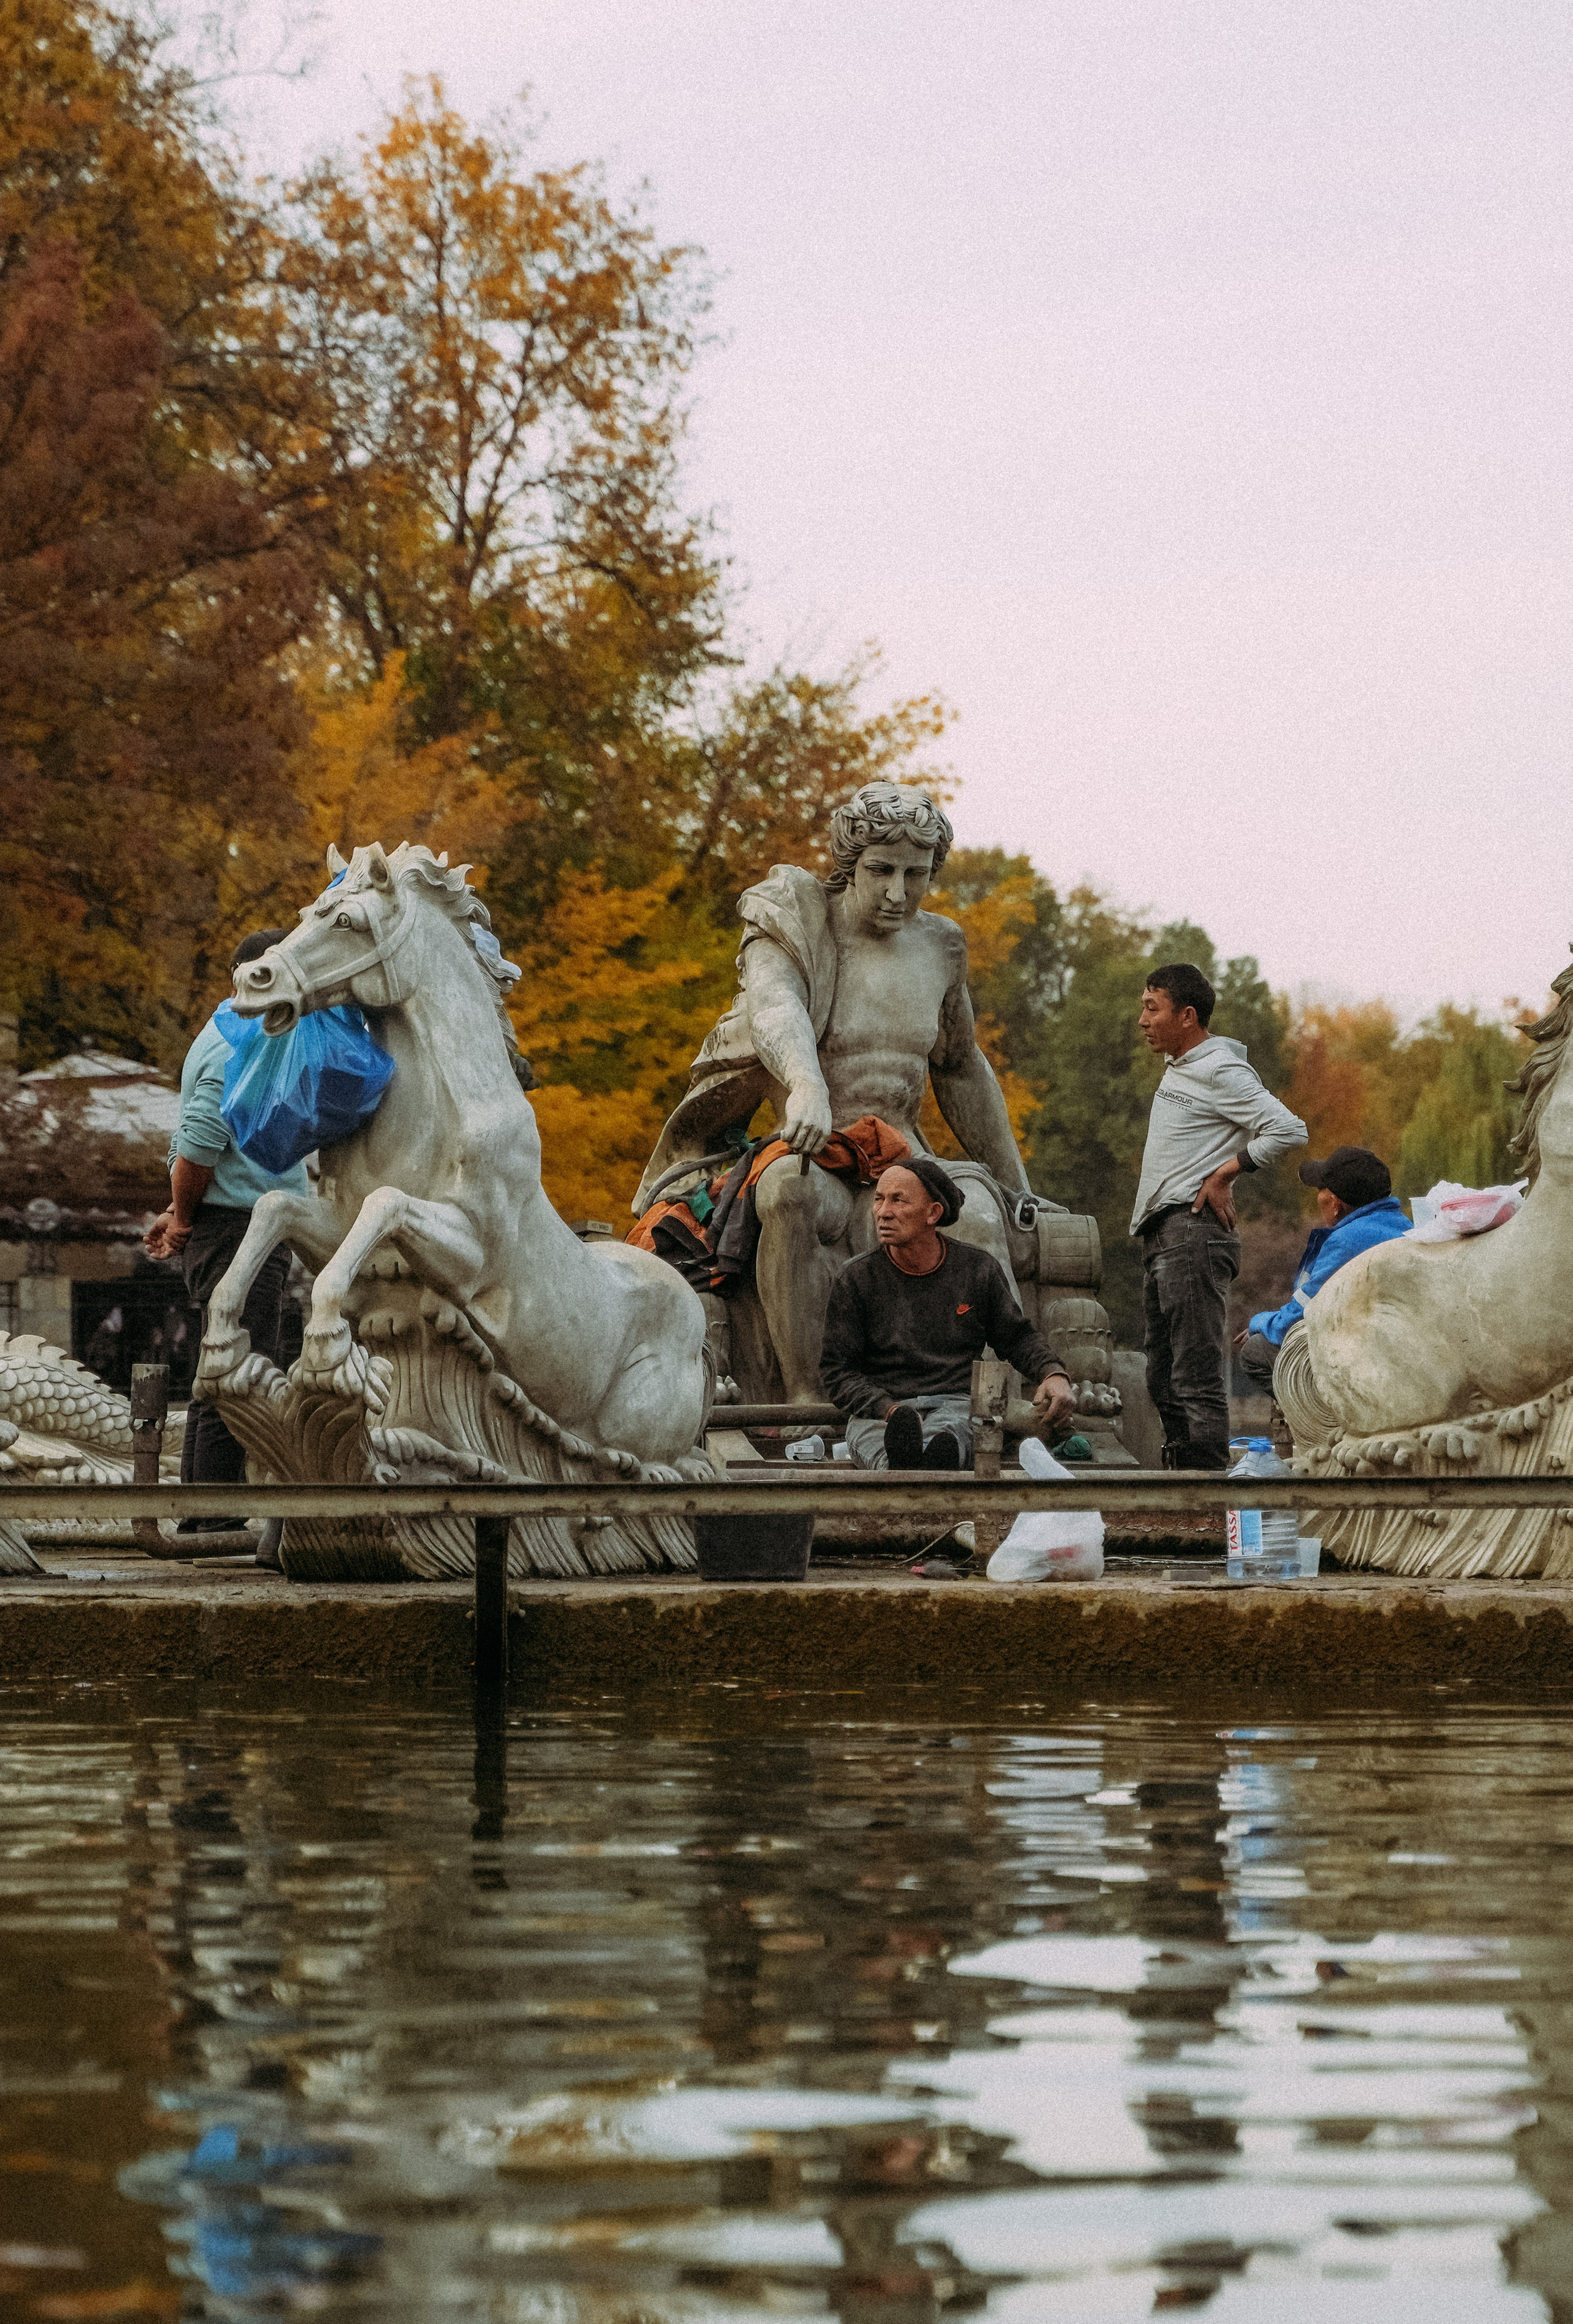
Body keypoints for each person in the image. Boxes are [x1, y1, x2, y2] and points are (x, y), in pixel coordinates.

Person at [632, 782, 1043, 1409]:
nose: (897, 893)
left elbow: (959, 1068)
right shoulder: (796, 921)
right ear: (849, 865)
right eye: (880, 871)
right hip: (816, 1142)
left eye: (916, 874)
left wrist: (1016, 1185)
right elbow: (775, 1007)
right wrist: (805, 1085)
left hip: (903, 1154)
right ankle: (807, 1401)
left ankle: (996, 1407)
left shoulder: (941, 946)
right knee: (786, 1190)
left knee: (980, 1218)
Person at [144, 929, 311, 1550]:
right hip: (236, 1226)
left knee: (230, 1360)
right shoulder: (234, 1045)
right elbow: (198, 1140)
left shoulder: (239, 1035)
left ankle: (205, 1510)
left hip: (234, 1220)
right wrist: (184, 1216)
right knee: (235, 1365)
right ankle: (212, 1516)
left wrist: (177, 1208)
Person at [1132, 962, 1308, 1470]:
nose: (1142, 1020)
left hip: (1192, 1234)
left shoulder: (1220, 1068)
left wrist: (1226, 1172)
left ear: (1187, 1016)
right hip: (1165, 1234)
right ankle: (1183, 1480)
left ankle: (1206, 1498)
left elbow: (1289, 1129)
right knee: (1162, 1376)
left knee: (1194, 1375)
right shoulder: (1181, 1066)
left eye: (1152, 1008)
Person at [820, 1157, 1075, 1469]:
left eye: (898, 1200)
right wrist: (888, 1410)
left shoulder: (977, 1270)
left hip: (955, 1403)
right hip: (882, 1411)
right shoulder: (855, 1278)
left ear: (933, 1213)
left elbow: (1016, 1337)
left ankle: (932, 1460)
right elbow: (837, 1372)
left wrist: (1053, 1373)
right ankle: (905, 1466)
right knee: (877, 1441)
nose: (883, 1212)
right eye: (879, 1199)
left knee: (954, 1430)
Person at [1235, 1146, 1413, 1395]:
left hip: (1365, 1358)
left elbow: (1302, 1316)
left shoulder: (1346, 1242)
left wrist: (1259, 1322)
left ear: (1336, 1204)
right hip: (1395, 1349)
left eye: (1321, 1189)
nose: (1317, 1196)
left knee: (1255, 1351)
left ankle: (1327, 1422)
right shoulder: (1405, 1226)